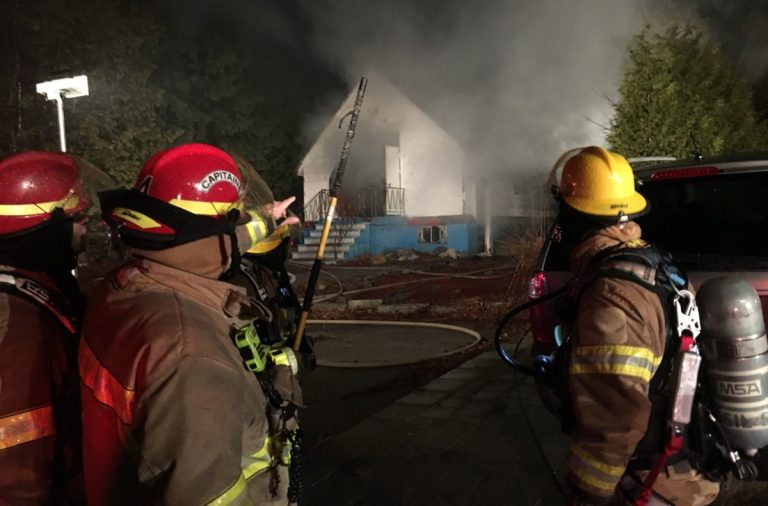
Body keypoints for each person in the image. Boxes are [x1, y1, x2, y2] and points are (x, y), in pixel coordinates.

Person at [79, 143, 302, 505]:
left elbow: (207, 242)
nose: (240, 228)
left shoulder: (126, 282)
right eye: (234, 218)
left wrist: (265, 219)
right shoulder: (192, 356)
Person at [552, 146, 719, 505]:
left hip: (651, 482)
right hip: (681, 468)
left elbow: (615, 418)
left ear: (572, 212)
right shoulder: (655, 266)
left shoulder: (611, 296)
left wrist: (586, 493)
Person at [0, 151, 88, 504]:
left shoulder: (34, 289)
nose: (86, 226)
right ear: (44, 227)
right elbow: (16, 468)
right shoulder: (20, 325)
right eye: (78, 217)